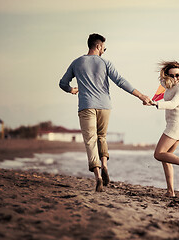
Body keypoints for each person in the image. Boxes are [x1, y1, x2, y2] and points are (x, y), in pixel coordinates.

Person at [59, 33, 152, 192]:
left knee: (90, 141)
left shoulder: (76, 63)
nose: (104, 51)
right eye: (104, 48)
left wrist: (71, 90)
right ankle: (105, 165)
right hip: (104, 106)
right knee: (102, 137)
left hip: (86, 106)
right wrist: (141, 96)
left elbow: (62, 83)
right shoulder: (105, 63)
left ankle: (98, 177)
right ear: (98, 46)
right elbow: (121, 82)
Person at [152, 61, 179, 197]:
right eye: (172, 76)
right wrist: (149, 101)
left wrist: (156, 104)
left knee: (158, 154)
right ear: (167, 76)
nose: (175, 78)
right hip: (176, 124)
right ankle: (170, 192)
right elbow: (163, 83)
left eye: (177, 75)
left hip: (177, 125)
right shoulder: (169, 84)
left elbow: (173, 104)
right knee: (166, 158)